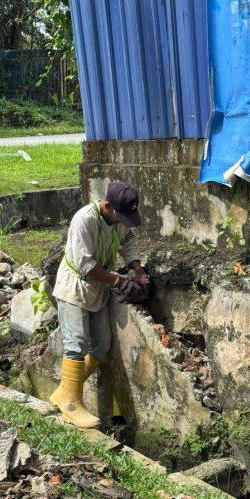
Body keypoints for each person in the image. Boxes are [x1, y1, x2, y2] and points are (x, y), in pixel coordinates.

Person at [51, 181, 149, 429]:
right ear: (107, 206)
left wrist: (137, 270)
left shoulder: (118, 221)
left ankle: (64, 392)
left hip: (98, 287)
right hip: (74, 286)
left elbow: (127, 243)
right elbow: (84, 265)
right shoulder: (84, 220)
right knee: (77, 344)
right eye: (121, 216)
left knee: (102, 345)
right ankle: (72, 405)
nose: (124, 221)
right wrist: (119, 281)